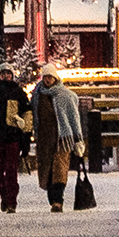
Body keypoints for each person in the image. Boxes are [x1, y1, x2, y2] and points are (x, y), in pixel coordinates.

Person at [0, 66, 38, 213]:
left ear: (12, 76)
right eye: (3, 74)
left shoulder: (18, 93)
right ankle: (4, 194)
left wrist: (26, 135)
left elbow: (27, 114)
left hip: (12, 137)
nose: (6, 76)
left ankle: (11, 201)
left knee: (11, 171)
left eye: (8, 73)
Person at [36, 68, 88, 212]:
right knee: (47, 170)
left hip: (62, 138)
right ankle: (53, 199)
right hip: (45, 139)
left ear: (55, 78)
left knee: (59, 169)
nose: (47, 80)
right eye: (45, 77)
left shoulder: (66, 96)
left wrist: (78, 139)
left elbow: (74, 119)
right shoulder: (37, 95)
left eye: (50, 77)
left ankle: (57, 201)